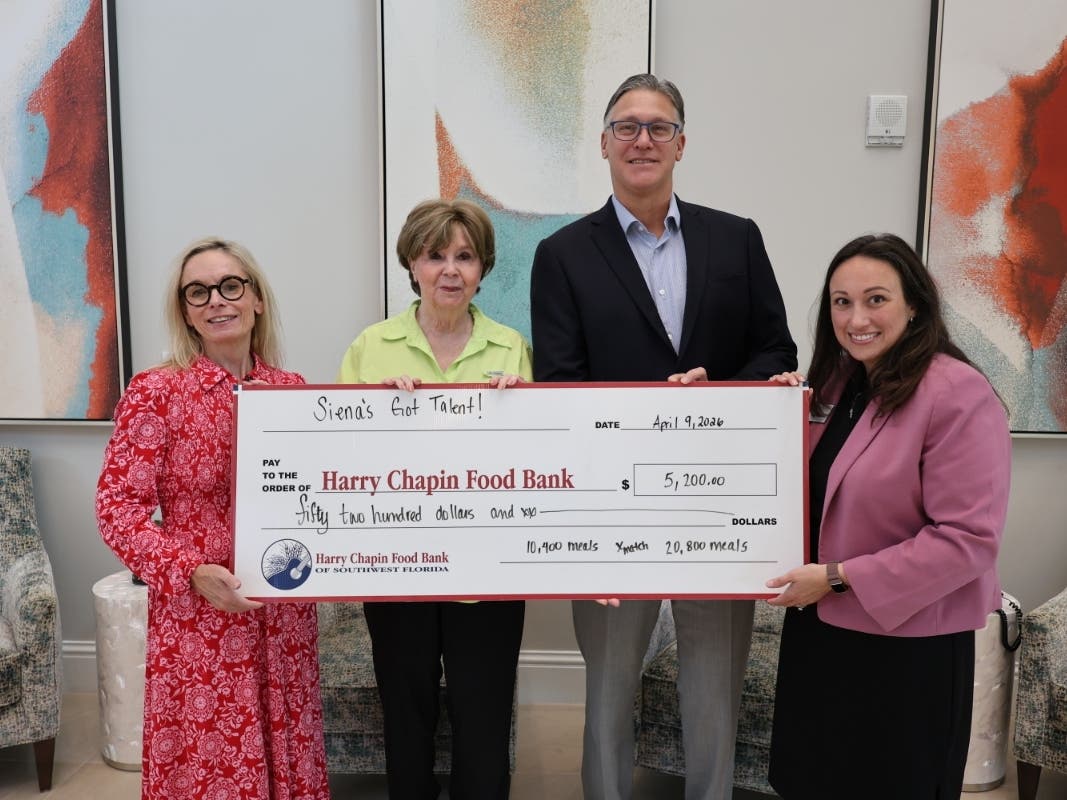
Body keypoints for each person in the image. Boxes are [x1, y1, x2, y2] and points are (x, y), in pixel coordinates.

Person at [529, 74, 797, 800]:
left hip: (718, 505)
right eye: (625, 126)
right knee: (609, 689)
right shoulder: (561, 254)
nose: (641, 140)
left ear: (682, 142)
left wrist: (721, 395)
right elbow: (557, 385)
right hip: (612, 509)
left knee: (713, 690)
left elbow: (777, 353)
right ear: (603, 143)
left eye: (657, 126)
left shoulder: (735, 239)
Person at [764, 234, 1011, 799]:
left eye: (876, 299)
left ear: (915, 304)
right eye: (841, 302)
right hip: (820, 636)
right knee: (813, 782)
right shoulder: (833, 384)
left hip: (908, 651)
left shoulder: (958, 393)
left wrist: (834, 577)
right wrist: (759, 409)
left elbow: (968, 541)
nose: (857, 319)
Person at [96, 238, 329, 800]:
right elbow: (116, 510)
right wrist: (192, 569)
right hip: (201, 620)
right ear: (185, 311)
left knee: (287, 753)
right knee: (212, 768)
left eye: (230, 285)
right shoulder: (156, 392)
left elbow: (323, 496)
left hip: (282, 615)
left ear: (257, 300)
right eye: (197, 292)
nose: (216, 301)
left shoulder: (293, 391)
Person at [336, 198, 531, 799]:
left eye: (465, 256)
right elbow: (339, 453)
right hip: (397, 566)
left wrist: (519, 404)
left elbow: (533, 462)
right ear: (412, 264)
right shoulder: (372, 346)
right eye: (436, 255)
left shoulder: (510, 347)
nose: (451, 270)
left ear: (482, 268)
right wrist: (379, 411)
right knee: (404, 705)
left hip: (488, 569)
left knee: (484, 709)